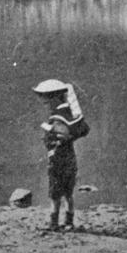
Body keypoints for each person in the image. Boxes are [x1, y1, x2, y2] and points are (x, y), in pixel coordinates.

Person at [34, 78, 88, 231]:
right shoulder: (71, 114)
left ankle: (54, 223)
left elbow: (62, 133)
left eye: (45, 98)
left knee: (55, 194)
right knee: (68, 193)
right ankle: (69, 222)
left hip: (57, 158)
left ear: (54, 98)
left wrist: (51, 133)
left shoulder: (58, 117)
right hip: (70, 157)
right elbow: (80, 130)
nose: (44, 102)